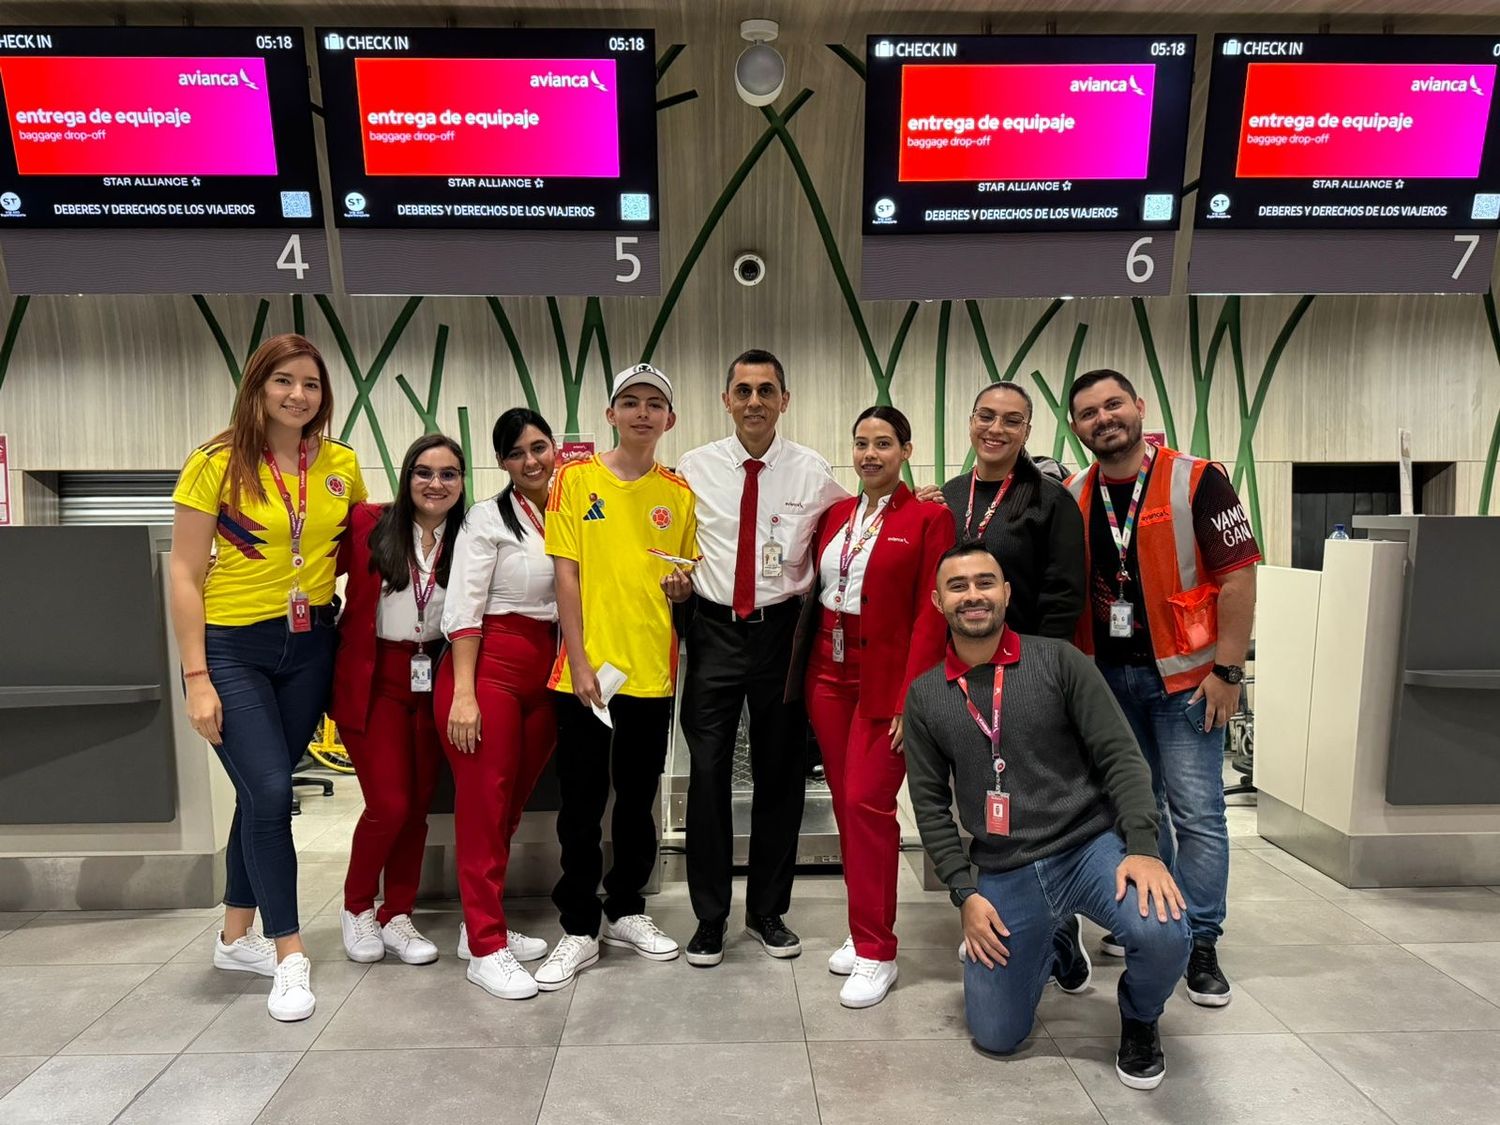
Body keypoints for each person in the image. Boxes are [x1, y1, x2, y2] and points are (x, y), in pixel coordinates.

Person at [903, 542, 1190, 1090]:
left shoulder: (1060, 662)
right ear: (938, 601)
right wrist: (965, 894)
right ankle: (1053, 939)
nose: (973, 595)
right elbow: (931, 806)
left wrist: (1144, 850)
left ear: (1007, 593)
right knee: (996, 1035)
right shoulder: (925, 697)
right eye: (958, 586)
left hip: (1089, 845)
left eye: (985, 582)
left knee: (1165, 933)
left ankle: (1140, 1016)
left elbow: (1121, 757)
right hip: (1007, 867)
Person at [169, 333, 367, 1022]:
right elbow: (184, 572)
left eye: (310, 384)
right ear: (257, 386)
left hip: (311, 645)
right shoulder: (216, 462)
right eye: (284, 381)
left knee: (259, 793)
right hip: (234, 649)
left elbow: (352, 553)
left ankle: (233, 938)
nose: (298, 395)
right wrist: (197, 674)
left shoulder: (340, 464)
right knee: (275, 791)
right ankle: (289, 953)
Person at [1065, 368, 1259, 1007]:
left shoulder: (1198, 479)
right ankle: (1159, 919)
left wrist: (1227, 671)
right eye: (1089, 412)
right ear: (1077, 427)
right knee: (1137, 807)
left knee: (1198, 811)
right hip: (1108, 684)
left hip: (1188, 681)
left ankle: (1201, 942)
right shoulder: (1075, 493)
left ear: (1138, 407)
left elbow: (1237, 578)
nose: (1104, 418)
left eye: (1113, 404)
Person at [675, 348, 847, 967]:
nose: (754, 401)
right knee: (709, 775)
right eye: (742, 390)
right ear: (726, 399)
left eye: (765, 390)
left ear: (784, 401)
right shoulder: (693, 468)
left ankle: (769, 911)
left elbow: (858, 521)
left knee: (780, 777)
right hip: (715, 631)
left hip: (783, 636)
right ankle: (710, 918)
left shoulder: (813, 471)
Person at [532, 363, 699, 990]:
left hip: (651, 673)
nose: (642, 413)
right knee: (580, 805)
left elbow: (679, 580)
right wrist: (577, 661)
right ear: (611, 414)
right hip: (586, 674)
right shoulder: (574, 480)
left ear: (669, 420)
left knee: (636, 802)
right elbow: (565, 574)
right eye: (630, 402)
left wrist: (682, 589)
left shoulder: (678, 493)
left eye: (655, 404)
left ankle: (627, 908)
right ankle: (578, 926)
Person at [798, 405, 953, 1009]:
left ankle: (878, 950)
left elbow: (929, 611)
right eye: (861, 443)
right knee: (848, 807)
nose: (869, 454)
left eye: (883, 443)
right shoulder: (836, 514)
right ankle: (864, 927)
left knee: (869, 803)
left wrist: (910, 700)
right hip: (826, 675)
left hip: (886, 684)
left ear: (906, 451)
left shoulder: (929, 519)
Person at [435, 409, 562, 1000]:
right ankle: (486, 948)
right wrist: (464, 694)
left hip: (550, 667)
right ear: (503, 463)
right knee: (484, 808)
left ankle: (475, 926)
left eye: (539, 447)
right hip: (489, 668)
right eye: (517, 453)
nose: (531, 460)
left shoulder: (570, 508)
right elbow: (462, 609)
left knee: (509, 808)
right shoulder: (487, 518)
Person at [329, 434, 465, 969]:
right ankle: (357, 905)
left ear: (461, 482)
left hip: (435, 673)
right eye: (424, 472)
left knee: (418, 809)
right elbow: (311, 563)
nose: (436, 483)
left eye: (449, 473)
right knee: (390, 805)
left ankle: (398, 913)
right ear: (407, 476)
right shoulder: (368, 522)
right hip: (375, 678)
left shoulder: (468, 534)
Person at [940, 381, 1084, 638]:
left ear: (1026, 432)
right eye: (986, 416)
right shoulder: (950, 495)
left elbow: (1062, 601)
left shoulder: (1051, 500)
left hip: (1026, 660)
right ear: (971, 422)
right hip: (953, 657)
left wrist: (1043, 664)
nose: (995, 429)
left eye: (1012, 421)